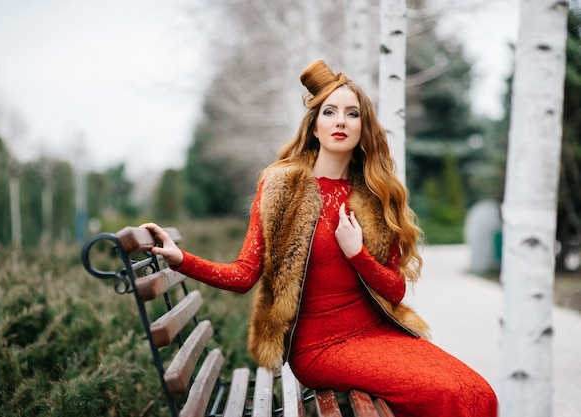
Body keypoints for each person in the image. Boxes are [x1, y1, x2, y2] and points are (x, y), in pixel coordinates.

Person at [141, 60, 498, 416]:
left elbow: (396, 290)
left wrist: (357, 253)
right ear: (314, 126)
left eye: (352, 114)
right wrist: (180, 258)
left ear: (363, 128)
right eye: (330, 112)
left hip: (377, 332)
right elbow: (243, 275)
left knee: (479, 393)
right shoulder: (282, 186)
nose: (341, 121)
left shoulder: (374, 193)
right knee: (445, 396)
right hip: (320, 347)